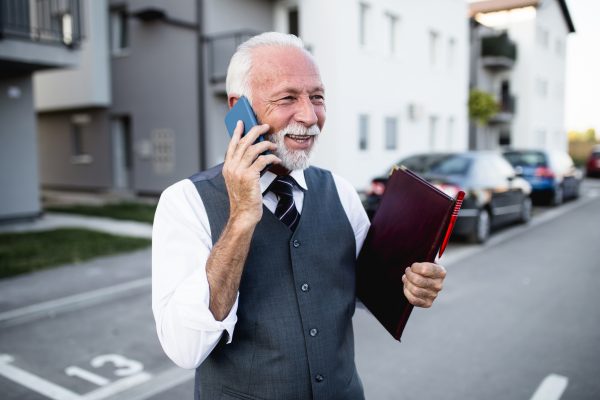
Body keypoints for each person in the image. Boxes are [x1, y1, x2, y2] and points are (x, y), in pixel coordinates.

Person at [152, 32, 447, 400]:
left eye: (317, 98)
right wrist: (242, 217)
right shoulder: (184, 202)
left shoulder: (339, 192)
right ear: (238, 107)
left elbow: (369, 290)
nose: (309, 117)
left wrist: (413, 284)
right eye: (287, 98)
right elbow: (185, 348)